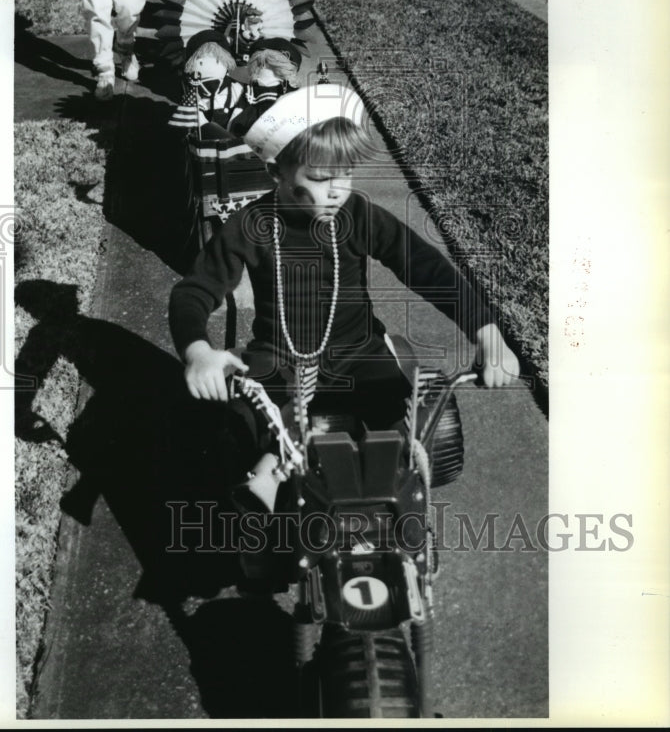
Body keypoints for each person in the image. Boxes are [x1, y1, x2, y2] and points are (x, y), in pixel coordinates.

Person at [168, 85, 520, 509]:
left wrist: (488, 333)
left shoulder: (356, 214)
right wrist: (198, 350)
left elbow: (430, 269)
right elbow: (194, 291)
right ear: (278, 172)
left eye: (346, 174)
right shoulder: (251, 225)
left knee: (401, 427)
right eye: (319, 179)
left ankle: (396, 516)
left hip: (360, 352)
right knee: (248, 425)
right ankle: (263, 491)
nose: (337, 190)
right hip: (280, 355)